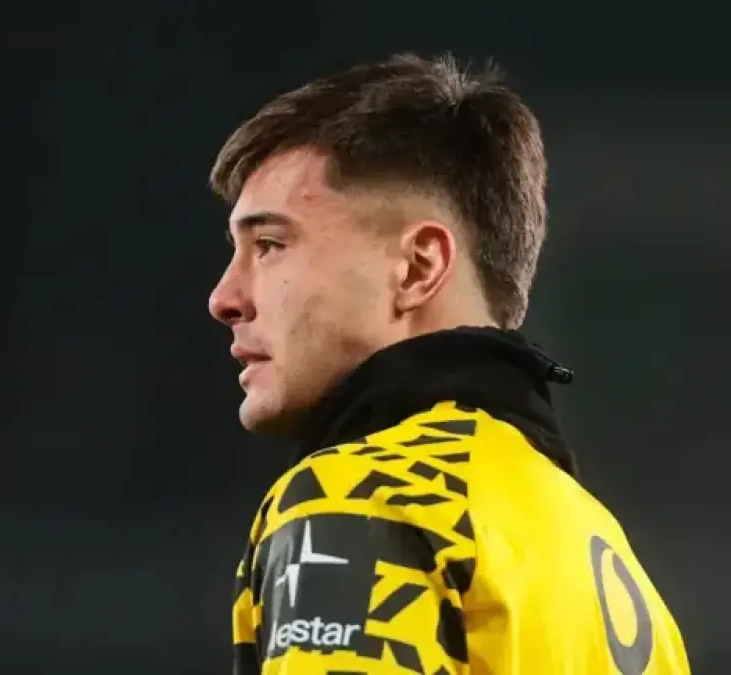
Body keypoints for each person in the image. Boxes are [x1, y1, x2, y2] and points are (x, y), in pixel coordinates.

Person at [208, 54, 689, 674]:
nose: (224, 297)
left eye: (270, 245)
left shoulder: (365, 496)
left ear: (418, 267)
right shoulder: (607, 557)